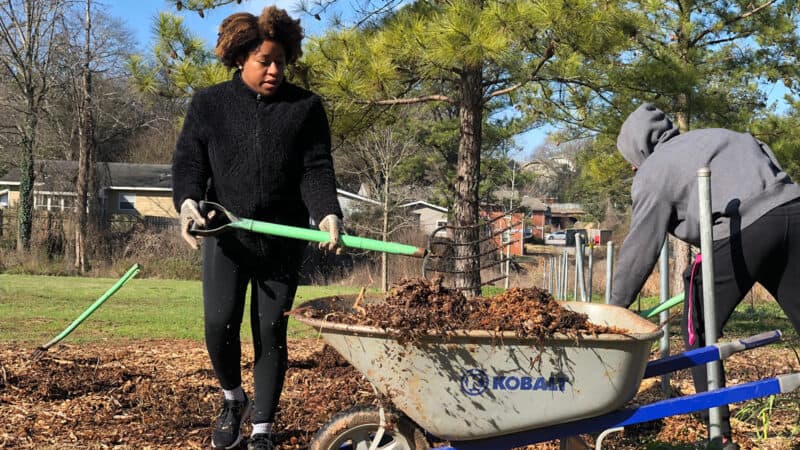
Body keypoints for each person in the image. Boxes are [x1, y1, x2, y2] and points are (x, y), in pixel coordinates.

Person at [171, 6, 345, 450]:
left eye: (281, 63)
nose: (274, 70)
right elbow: (190, 161)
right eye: (264, 61)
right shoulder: (209, 104)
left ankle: (263, 429)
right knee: (217, 325)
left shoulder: (305, 107)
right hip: (226, 236)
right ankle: (233, 399)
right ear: (240, 58)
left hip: (282, 241)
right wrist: (188, 202)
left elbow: (316, 169)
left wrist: (328, 212)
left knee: (269, 332)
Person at [609, 102, 800, 450]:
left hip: (742, 228)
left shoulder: (653, 171)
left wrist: (613, 309)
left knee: (700, 328)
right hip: (794, 210)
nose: (635, 167)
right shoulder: (719, 137)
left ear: (639, 150)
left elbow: (640, 248)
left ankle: (719, 435)